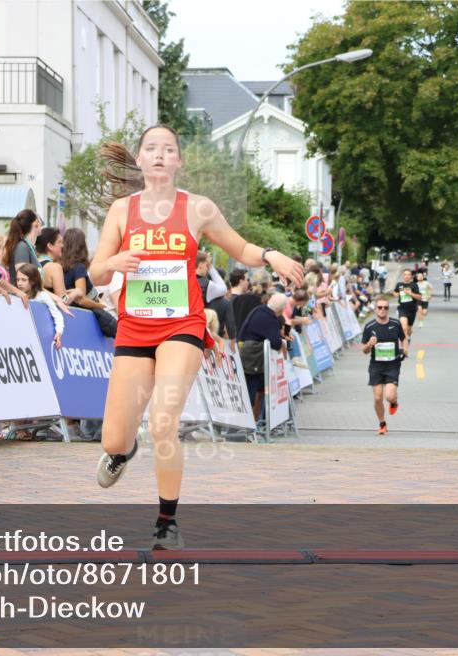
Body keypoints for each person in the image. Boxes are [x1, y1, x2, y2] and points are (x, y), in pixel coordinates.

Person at [88, 125, 303, 550]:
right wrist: (115, 259)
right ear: (139, 158)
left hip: (181, 325)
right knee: (114, 437)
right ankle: (121, 451)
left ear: (179, 160)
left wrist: (271, 255)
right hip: (135, 325)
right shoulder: (121, 211)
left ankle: (167, 521)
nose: (160, 155)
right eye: (151, 148)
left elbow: (240, 249)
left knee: (164, 420)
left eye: (168, 149)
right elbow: (96, 274)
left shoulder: (198, 209)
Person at [238, 293, 288, 421]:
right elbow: (276, 343)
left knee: (255, 390)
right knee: (251, 391)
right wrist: (282, 342)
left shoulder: (259, 310)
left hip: (247, 355)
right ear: (281, 309)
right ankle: (248, 423)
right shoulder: (269, 318)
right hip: (253, 360)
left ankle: (253, 422)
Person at [362, 297, 408, 435]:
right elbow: (364, 350)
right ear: (375, 309)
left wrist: (405, 348)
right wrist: (370, 344)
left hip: (392, 364)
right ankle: (382, 423)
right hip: (376, 365)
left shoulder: (395, 323)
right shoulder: (369, 327)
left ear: (388, 309)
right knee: (377, 397)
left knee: (389, 396)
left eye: (385, 307)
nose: (382, 310)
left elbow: (404, 338)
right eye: (380, 307)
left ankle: (394, 402)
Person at [17, 264, 64, 349]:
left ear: (33, 281)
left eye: (24, 280)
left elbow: (57, 316)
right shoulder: (15, 296)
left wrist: (59, 333)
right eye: (18, 280)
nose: (19, 283)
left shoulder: (42, 296)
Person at [2, 208, 41, 278]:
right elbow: (22, 281)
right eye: (40, 221)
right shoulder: (22, 247)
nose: (42, 224)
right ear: (36, 223)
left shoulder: (28, 247)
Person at [229, 269, 261, 333]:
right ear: (241, 281)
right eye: (247, 280)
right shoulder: (243, 300)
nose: (248, 282)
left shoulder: (226, 296)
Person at [393, 268, 420, 338]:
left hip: (412, 310)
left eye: (408, 275)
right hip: (402, 309)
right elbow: (395, 292)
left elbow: (419, 297)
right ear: (403, 276)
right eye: (405, 275)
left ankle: (408, 338)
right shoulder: (399, 285)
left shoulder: (414, 285)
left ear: (411, 276)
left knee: (409, 329)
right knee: (404, 327)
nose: (407, 276)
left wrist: (410, 293)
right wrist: (396, 294)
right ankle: (404, 344)